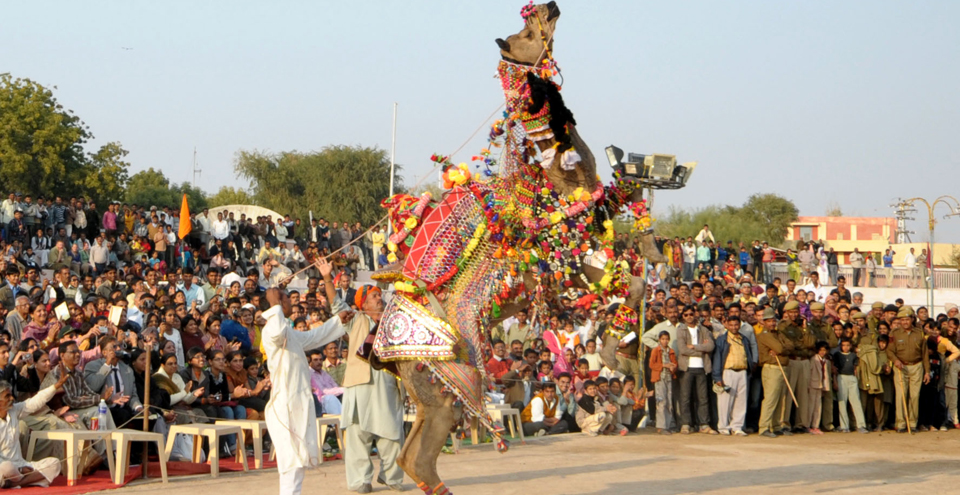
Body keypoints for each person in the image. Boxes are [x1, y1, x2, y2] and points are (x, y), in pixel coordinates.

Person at [261, 257, 350, 495]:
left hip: (299, 402)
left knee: (298, 460)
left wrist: (337, 322)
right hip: (285, 403)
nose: (288, 301)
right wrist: (274, 303)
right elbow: (278, 330)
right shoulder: (271, 330)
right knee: (290, 460)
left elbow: (315, 337)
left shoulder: (291, 333)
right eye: (283, 299)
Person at [335, 279, 404, 493]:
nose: (379, 298)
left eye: (379, 295)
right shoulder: (354, 320)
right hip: (359, 384)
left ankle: (392, 478)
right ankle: (360, 481)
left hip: (388, 384)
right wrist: (328, 278)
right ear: (363, 304)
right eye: (374, 295)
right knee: (358, 434)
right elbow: (336, 305)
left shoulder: (395, 322)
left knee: (392, 435)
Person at [0, 373, 69, 488]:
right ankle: (27, 478)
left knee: (54, 464)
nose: (12, 398)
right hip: (6, 467)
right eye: (7, 396)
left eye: (11, 395)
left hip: (21, 465)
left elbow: (35, 402)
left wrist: (56, 386)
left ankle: (15, 483)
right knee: (6, 466)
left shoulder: (14, 411)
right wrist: (19, 469)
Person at [886, 308, 930, 432]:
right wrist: (895, 360)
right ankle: (900, 424)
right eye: (902, 320)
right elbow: (889, 351)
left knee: (915, 396)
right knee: (901, 395)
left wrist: (927, 371)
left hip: (917, 366)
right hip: (901, 367)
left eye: (907, 319)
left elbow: (925, 353)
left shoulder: (919, 333)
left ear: (912, 319)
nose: (905, 322)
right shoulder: (894, 333)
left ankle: (912, 423)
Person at [675, 305, 716, 435]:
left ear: (695, 314)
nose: (689, 317)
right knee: (685, 397)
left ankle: (704, 424)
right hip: (686, 367)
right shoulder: (680, 330)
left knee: (703, 398)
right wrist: (701, 350)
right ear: (683, 316)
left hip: (702, 367)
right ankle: (685, 423)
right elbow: (682, 349)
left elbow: (710, 346)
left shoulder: (703, 329)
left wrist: (694, 347)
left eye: (691, 314)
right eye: (686, 315)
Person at [712, 314, 753, 436]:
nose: (734, 327)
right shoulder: (722, 339)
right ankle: (723, 427)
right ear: (727, 325)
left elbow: (748, 355)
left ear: (739, 325)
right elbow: (717, 359)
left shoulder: (744, 339)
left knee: (741, 401)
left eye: (736, 325)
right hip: (728, 372)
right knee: (725, 401)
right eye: (731, 325)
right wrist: (717, 377)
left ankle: (737, 427)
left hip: (742, 371)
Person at [757, 307, 793, 438]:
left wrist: (782, 349)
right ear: (764, 322)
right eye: (769, 321)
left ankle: (776, 426)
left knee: (780, 399)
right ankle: (764, 427)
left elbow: (791, 345)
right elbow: (779, 347)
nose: (772, 323)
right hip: (772, 368)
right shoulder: (764, 335)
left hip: (782, 367)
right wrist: (781, 349)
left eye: (774, 321)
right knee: (771, 399)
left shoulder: (778, 334)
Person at [833, 338, 869, 433]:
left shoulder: (853, 356)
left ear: (851, 346)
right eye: (844, 345)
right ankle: (844, 426)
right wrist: (835, 381)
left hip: (851, 378)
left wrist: (856, 379)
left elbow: (855, 368)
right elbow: (834, 369)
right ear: (841, 346)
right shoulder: (837, 355)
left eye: (848, 345)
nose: (846, 347)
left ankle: (861, 425)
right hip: (841, 377)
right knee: (842, 402)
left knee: (856, 401)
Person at [649, 331, 677, 435]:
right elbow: (652, 365)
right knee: (661, 401)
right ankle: (661, 426)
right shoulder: (656, 350)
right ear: (659, 340)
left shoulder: (671, 351)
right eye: (663, 339)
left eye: (666, 339)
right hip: (659, 378)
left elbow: (674, 363)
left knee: (669, 401)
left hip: (669, 377)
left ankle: (668, 425)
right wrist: (664, 365)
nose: (665, 341)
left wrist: (673, 367)